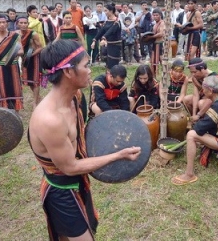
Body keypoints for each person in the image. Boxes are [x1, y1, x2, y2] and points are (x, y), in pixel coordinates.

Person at [28, 40, 141, 240]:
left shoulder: (76, 96)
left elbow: (84, 133)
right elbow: (70, 167)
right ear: (69, 72)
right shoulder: (50, 120)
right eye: (86, 65)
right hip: (61, 190)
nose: (90, 71)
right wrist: (118, 155)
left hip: (79, 181)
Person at [171, 75, 218, 185]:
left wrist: (196, 122)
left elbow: (199, 129)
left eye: (204, 89)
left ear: (211, 91)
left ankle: (189, 174)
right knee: (197, 133)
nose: (202, 91)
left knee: (191, 135)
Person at [0, 14, 24, 112]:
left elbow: (21, 51)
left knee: (15, 90)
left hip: (13, 65)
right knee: (3, 91)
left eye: (4, 22)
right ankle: (5, 113)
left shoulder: (15, 35)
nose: (2, 24)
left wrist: (11, 52)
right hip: (1, 67)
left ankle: (16, 114)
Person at [17, 16, 43, 110]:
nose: (23, 25)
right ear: (17, 24)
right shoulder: (16, 34)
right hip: (23, 58)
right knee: (28, 81)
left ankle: (35, 102)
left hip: (34, 58)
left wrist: (30, 56)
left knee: (35, 81)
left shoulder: (33, 34)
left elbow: (40, 47)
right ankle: (38, 97)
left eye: (25, 23)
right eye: (21, 23)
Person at [182, 58, 218, 123]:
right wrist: (193, 114)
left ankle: (206, 123)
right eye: (191, 72)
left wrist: (198, 115)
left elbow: (210, 100)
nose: (193, 74)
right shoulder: (195, 78)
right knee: (186, 99)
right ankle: (196, 122)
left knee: (201, 103)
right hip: (204, 98)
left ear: (202, 69)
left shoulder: (213, 78)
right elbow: (196, 96)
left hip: (215, 102)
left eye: (195, 72)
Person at [91, 3, 122, 70]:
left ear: (111, 11)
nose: (104, 12)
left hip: (115, 45)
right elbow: (101, 31)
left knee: (113, 64)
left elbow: (111, 31)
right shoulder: (107, 21)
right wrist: (94, 40)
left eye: (106, 11)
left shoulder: (116, 22)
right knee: (108, 63)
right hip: (108, 45)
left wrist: (104, 38)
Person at [149, 9, 165, 76]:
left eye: (157, 15)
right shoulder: (155, 24)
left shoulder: (162, 23)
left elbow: (161, 34)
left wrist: (151, 37)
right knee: (153, 61)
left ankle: (166, 74)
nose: (155, 16)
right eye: (154, 15)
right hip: (154, 44)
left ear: (160, 15)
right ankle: (153, 76)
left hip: (160, 43)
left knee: (162, 61)